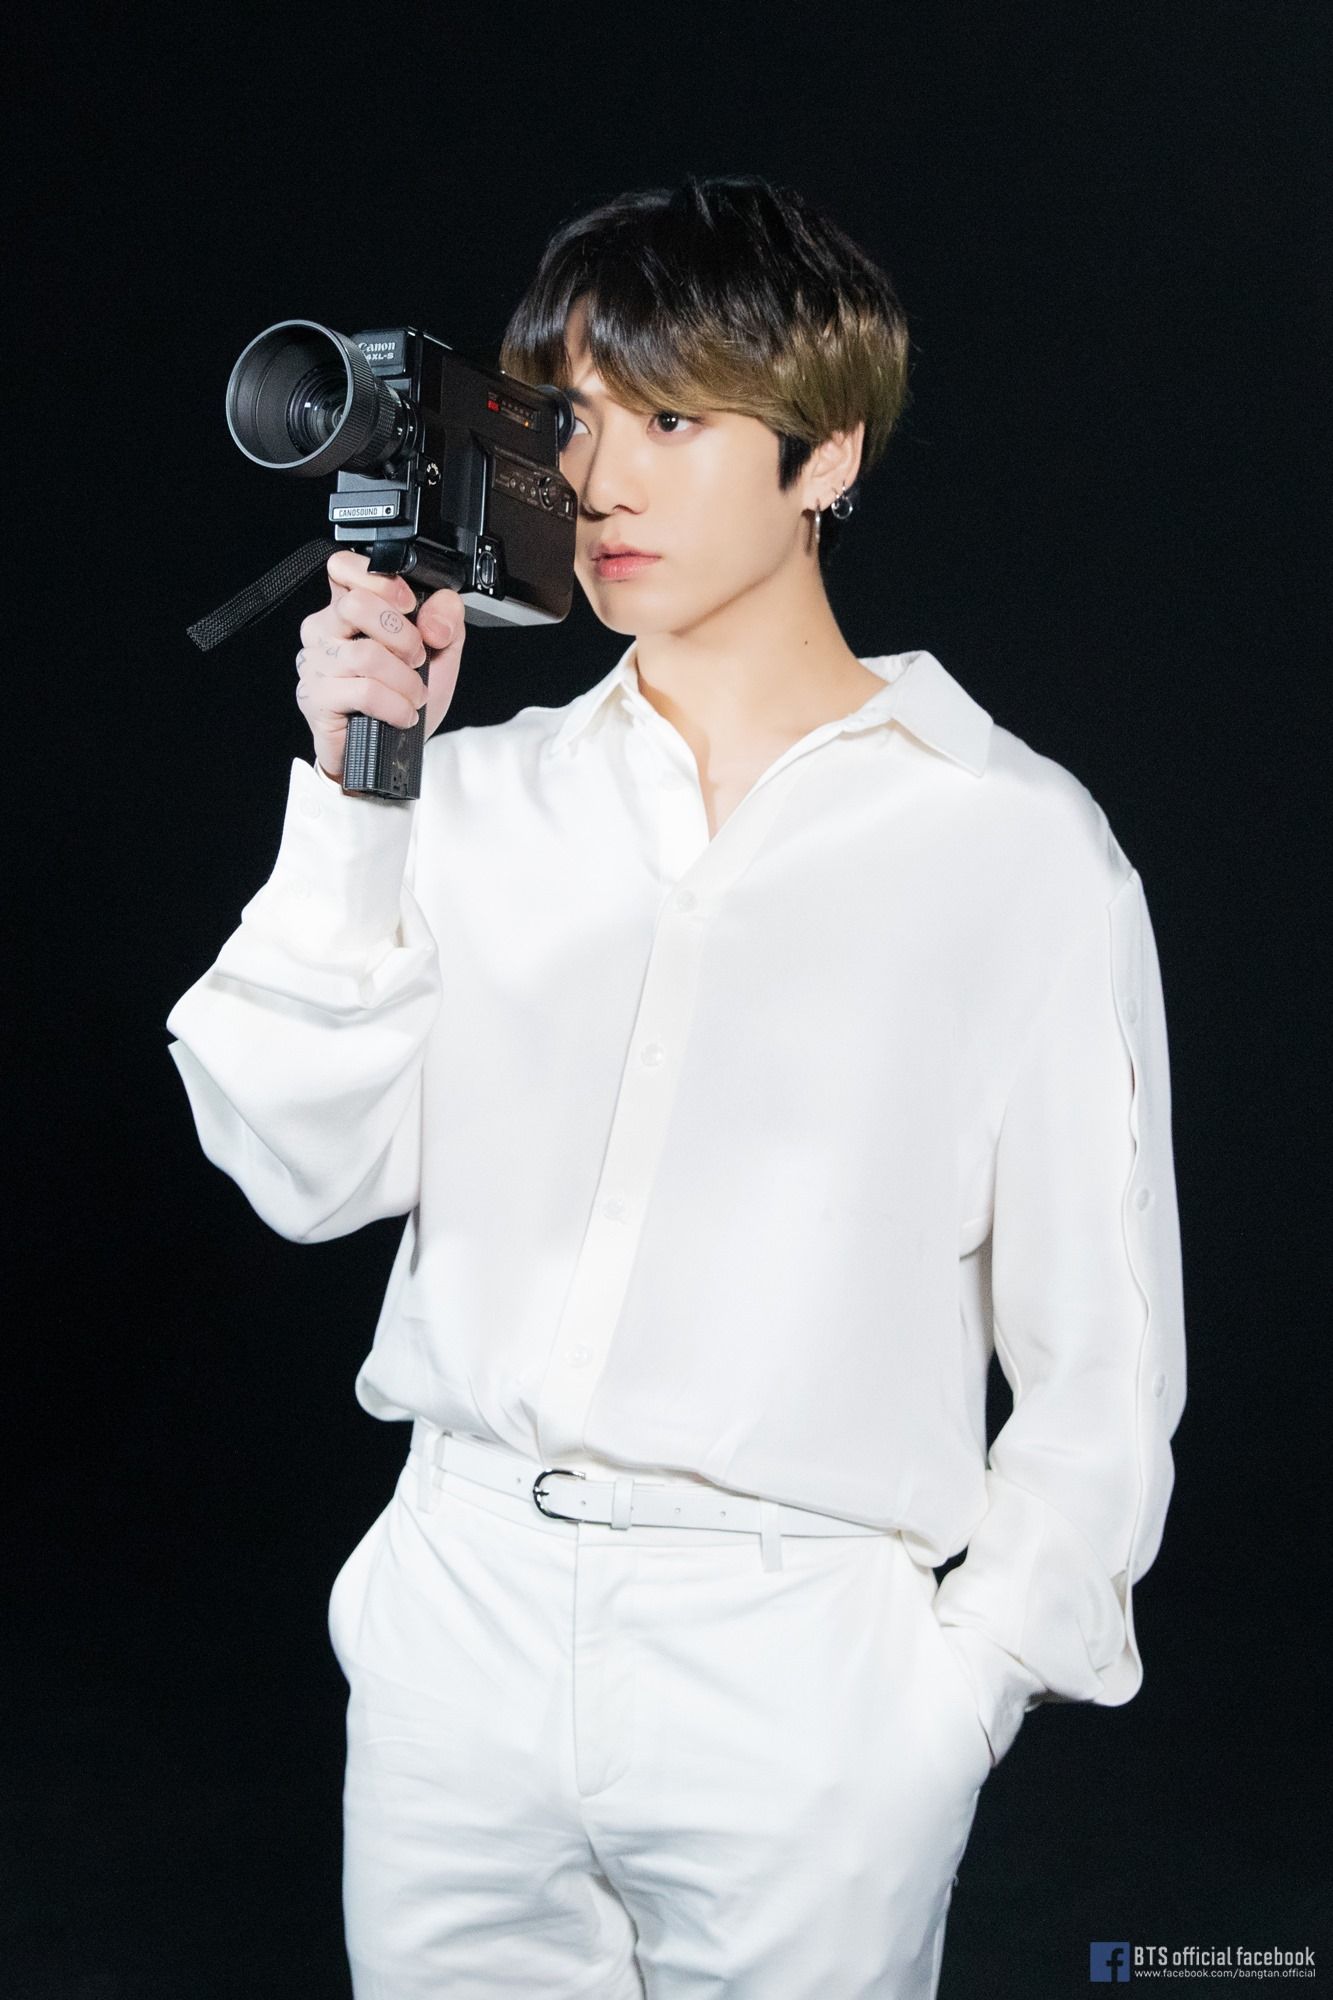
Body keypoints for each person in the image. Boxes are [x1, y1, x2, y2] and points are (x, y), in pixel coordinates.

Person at [165, 174, 1186, 1999]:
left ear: (825, 456)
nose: (605, 482)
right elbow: (301, 1173)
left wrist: (959, 1691)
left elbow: (1102, 1352)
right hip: (462, 1624)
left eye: (673, 421)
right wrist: (358, 789)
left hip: (801, 1662)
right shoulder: (475, 797)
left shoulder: (1011, 845)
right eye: (569, 421)